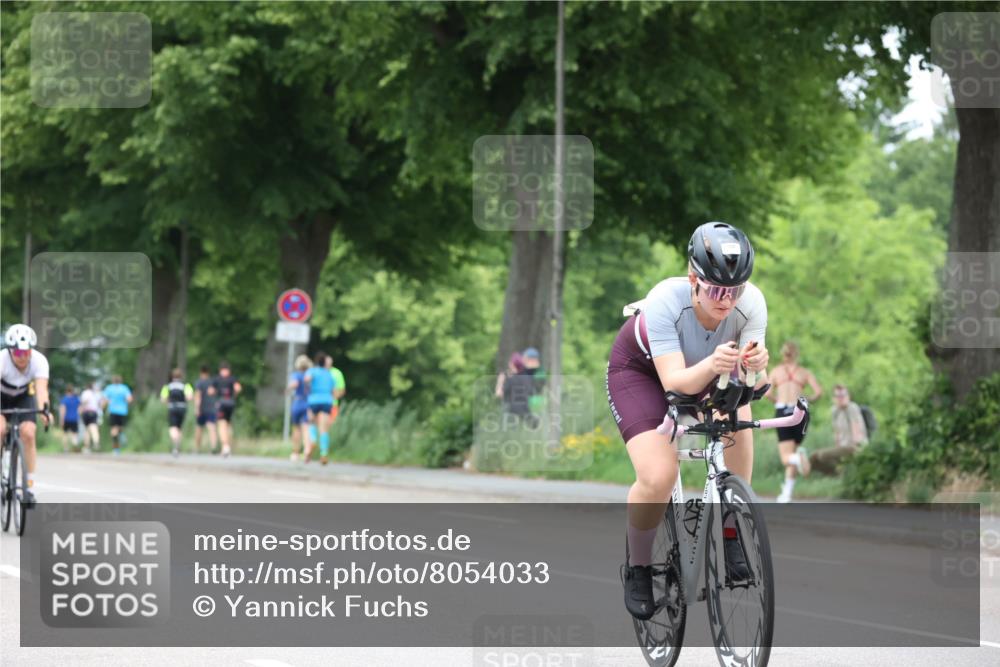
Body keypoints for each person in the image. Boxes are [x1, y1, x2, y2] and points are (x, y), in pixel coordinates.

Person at [606, 222, 769, 620]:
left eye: (735, 290)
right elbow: (675, 384)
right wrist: (715, 364)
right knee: (659, 476)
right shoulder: (666, 299)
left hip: (705, 370)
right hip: (642, 372)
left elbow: (751, 383)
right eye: (715, 289)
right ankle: (640, 567)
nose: (726, 300)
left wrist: (757, 370)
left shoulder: (752, 304)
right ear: (693, 278)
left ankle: (730, 525)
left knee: (740, 408)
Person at [764, 341, 823, 503]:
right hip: (801, 413)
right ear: (797, 354)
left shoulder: (776, 372)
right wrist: (806, 400)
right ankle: (787, 493)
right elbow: (818, 392)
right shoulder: (804, 372)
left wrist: (779, 401)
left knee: (786, 458)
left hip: (783, 412)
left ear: (783, 354)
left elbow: (767, 393)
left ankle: (798, 459)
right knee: (792, 452)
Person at [0, 324, 51, 505]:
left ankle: (29, 486)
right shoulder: (2, 361)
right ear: (10, 351)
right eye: (18, 353)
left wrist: (45, 411)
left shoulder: (39, 361)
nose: (23, 357)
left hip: (23, 396)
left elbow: (41, 390)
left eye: (26, 352)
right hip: (1, 396)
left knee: (29, 433)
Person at [808, 384, 869, 475]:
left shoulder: (852, 408)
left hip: (853, 446)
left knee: (822, 455)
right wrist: (837, 448)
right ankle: (837, 473)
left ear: (848, 396)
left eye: (843, 395)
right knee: (814, 456)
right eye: (838, 396)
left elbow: (856, 431)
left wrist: (856, 448)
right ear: (834, 398)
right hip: (843, 446)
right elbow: (837, 432)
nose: (841, 398)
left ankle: (841, 473)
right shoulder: (835, 410)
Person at [304, 352, 336, 465]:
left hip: (314, 400)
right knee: (324, 429)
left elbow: (307, 379)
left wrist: (309, 385)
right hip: (327, 401)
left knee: (311, 422)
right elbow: (334, 390)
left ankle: (312, 440)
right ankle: (324, 453)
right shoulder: (329, 374)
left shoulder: (312, 370)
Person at [160, 368, 194, 457]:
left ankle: (175, 444)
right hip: (182, 407)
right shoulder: (185, 385)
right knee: (179, 427)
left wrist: (168, 401)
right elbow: (190, 397)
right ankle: (177, 445)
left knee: (172, 427)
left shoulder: (167, 386)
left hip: (172, 408)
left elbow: (163, 399)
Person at [287, 354, 312, 462]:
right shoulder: (310, 375)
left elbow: (295, 384)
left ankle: (295, 452)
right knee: (306, 428)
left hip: (298, 402)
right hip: (308, 403)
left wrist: (288, 389)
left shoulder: (296, 375)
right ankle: (306, 450)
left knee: (296, 429)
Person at [214, 361, 241, 458]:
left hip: (221, 403)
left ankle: (225, 446)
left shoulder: (217, 379)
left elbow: (211, 391)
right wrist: (234, 396)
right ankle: (227, 447)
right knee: (228, 425)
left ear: (221, 370)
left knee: (221, 425)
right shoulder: (232, 379)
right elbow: (238, 388)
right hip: (231, 402)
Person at [102, 375, 133, 454]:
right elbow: (129, 399)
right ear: (120, 381)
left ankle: (116, 449)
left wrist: (103, 407)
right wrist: (125, 403)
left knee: (113, 430)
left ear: (113, 381)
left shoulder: (109, 388)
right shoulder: (124, 388)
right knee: (120, 427)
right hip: (122, 411)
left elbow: (104, 400)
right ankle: (121, 434)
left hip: (113, 411)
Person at [193, 365, 218, 454]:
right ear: (208, 372)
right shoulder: (212, 382)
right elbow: (216, 394)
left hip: (202, 409)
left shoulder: (199, 382)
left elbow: (198, 396)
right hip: (212, 408)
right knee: (212, 428)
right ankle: (213, 447)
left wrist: (196, 408)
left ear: (201, 372)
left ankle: (197, 448)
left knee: (199, 428)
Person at [79, 382, 102, 452]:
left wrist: (81, 408)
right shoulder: (96, 394)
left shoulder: (85, 393)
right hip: (94, 412)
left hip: (86, 411)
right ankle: (96, 442)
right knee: (94, 427)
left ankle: (87, 447)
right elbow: (99, 403)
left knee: (87, 430)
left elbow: (84, 401)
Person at [58, 384, 81, 452]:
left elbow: (63, 410)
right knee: (74, 434)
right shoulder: (76, 399)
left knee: (65, 434)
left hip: (66, 419)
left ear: (66, 391)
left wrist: (61, 420)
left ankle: (65, 448)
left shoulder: (64, 399)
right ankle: (75, 445)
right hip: (75, 418)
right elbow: (80, 409)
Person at [325, 354, 346, 421]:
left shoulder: (337, 373)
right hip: (319, 403)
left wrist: (334, 396)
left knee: (331, 426)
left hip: (333, 405)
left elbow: (342, 390)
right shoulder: (317, 372)